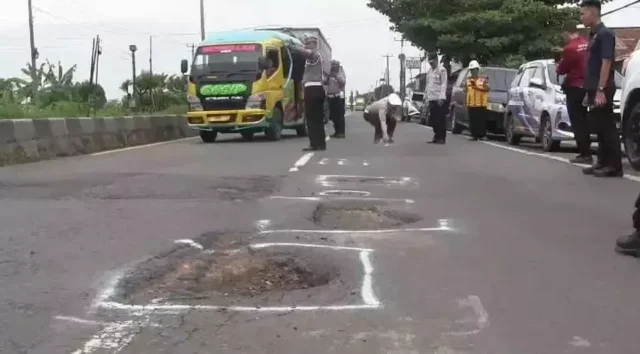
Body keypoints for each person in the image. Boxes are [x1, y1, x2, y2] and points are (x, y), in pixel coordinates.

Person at [580, 0, 623, 177]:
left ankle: (614, 166)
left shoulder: (605, 34)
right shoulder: (594, 34)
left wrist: (600, 89)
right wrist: (588, 90)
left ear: (593, 13)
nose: (581, 17)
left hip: (602, 87)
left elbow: (606, 62)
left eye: (583, 13)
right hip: (593, 87)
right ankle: (602, 162)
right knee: (598, 125)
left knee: (606, 126)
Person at [556, 22, 591, 164]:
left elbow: (562, 69)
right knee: (585, 120)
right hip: (587, 86)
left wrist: (558, 65)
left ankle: (585, 153)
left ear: (566, 33)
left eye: (563, 35)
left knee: (577, 121)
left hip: (575, 87)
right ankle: (587, 152)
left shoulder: (569, 48)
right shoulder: (587, 44)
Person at [290, 33, 326, 151]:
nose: (306, 46)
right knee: (316, 118)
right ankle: (319, 143)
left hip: (313, 89)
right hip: (314, 89)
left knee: (311, 118)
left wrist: (294, 46)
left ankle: (315, 144)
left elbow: (306, 53)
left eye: (308, 43)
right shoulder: (314, 57)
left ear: (314, 44)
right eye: (305, 44)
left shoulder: (315, 55)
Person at [424, 52, 448, 144]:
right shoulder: (429, 71)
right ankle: (436, 135)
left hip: (439, 98)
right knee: (433, 119)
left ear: (437, 60)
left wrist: (442, 97)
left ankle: (441, 137)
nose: (431, 64)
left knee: (440, 119)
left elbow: (443, 84)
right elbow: (428, 85)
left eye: (432, 62)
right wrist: (425, 97)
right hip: (431, 98)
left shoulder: (442, 70)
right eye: (429, 62)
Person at [466, 60, 490, 141]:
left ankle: (482, 135)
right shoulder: (468, 80)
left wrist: (477, 87)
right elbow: (466, 90)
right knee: (473, 120)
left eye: (474, 70)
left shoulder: (483, 80)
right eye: (471, 70)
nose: (473, 72)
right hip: (471, 104)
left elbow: (487, 88)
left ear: (477, 70)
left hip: (481, 104)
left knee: (481, 121)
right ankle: (474, 135)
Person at [326, 60, 347, 138]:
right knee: (333, 116)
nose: (334, 67)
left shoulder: (340, 71)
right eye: (332, 65)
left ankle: (341, 132)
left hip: (339, 96)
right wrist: (328, 76)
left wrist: (335, 76)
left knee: (340, 115)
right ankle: (336, 131)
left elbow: (343, 82)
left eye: (335, 65)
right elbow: (324, 82)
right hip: (330, 96)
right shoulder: (328, 72)